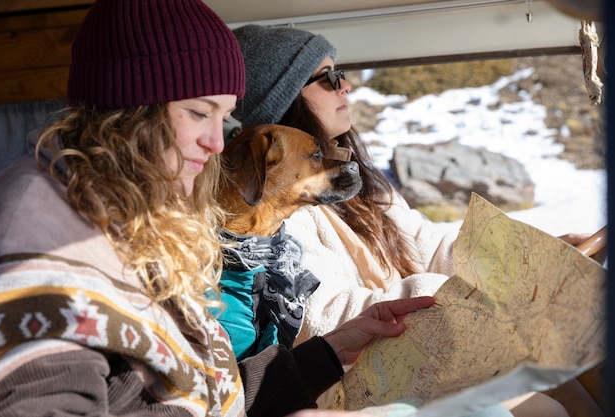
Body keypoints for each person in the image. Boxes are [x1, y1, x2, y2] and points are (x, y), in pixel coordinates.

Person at [0, 2, 439, 417]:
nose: (218, 143)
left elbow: (199, 397)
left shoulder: (139, 218)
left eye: (222, 117)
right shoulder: (38, 237)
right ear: (131, 110)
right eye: (197, 113)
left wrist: (331, 352)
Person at [230, 24, 603, 417]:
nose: (346, 86)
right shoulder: (278, 213)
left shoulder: (363, 183)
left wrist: (527, 255)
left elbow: (431, 246)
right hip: (356, 380)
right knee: (547, 404)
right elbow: (325, 315)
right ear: (286, 99)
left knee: (570, 369)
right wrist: (453, 294)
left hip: (427, 351)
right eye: (329, 78)